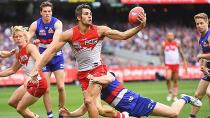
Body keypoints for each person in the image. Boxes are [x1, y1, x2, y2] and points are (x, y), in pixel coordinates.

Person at [30, 3, 146, 118]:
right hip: (83, 74)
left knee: (89, 101)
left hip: (97, 70)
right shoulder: (69, 34)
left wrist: (139, 27)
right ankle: (125, 116)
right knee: (96, 108)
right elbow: (50, 51)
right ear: (79, 17)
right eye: (86, 14)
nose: (90, 16)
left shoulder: (100, 30)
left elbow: (123, 35)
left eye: (90, 14)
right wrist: (36, 69)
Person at [59, 72, 202, 118]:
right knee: (99, 109)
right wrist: (70, 114)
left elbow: (109, 79)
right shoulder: (92, 88)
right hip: (125, 111)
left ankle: (185, 97)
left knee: (174, 114)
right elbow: (85, 108)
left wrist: (95, 79)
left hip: (137, 102)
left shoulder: (106, 75)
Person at [28, 1, 67, 117]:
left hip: (56, 56)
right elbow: (27, 38)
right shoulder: (35, 24)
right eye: (45, 11)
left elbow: (56, 41)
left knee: (61, 87)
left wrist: (43, 50)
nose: (47, 13)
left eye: (49, 11)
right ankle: (50, 115)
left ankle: (61, 113)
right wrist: (30, 42)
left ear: (52, 12)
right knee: (46, 89)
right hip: (42, 58)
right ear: (41, 12)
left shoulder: (57, 23)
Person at [0, 26, 47, 118]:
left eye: (20, 36)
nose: (18, 38)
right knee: (12, 102)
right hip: (30, 82)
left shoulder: (30, 47)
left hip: (39, 82)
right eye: (16, 37)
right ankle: (34, 116)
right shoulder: (19, 53)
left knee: (20, 109)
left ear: (25, 37)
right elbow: (12, 70)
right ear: (13, 39)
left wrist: (30, 76)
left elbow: (39, 60)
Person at [191, 12, 210, 118]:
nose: (199, 26)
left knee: (209, 92)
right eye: (197, 24)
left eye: (201, 23)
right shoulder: (201, 38)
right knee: (198, 95)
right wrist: (203, 66)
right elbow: (205, 56)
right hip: (209, 69)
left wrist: (201, 55)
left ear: (207, 22)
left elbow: (204, 54)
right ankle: (192, 116)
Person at [160, 32, 187, 101]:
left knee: (175, 80)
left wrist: (184, 61)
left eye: (171, 35)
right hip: (168, 64)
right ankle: (169, 92)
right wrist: (162, 62)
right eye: (168, 35)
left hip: (176, 64)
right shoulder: (164, 44)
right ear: (166, 36)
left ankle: (174, 95)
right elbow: (161, 54)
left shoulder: (177, 43)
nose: (170, 36)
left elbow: (181, 52)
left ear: (173, 36)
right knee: (168, 78)